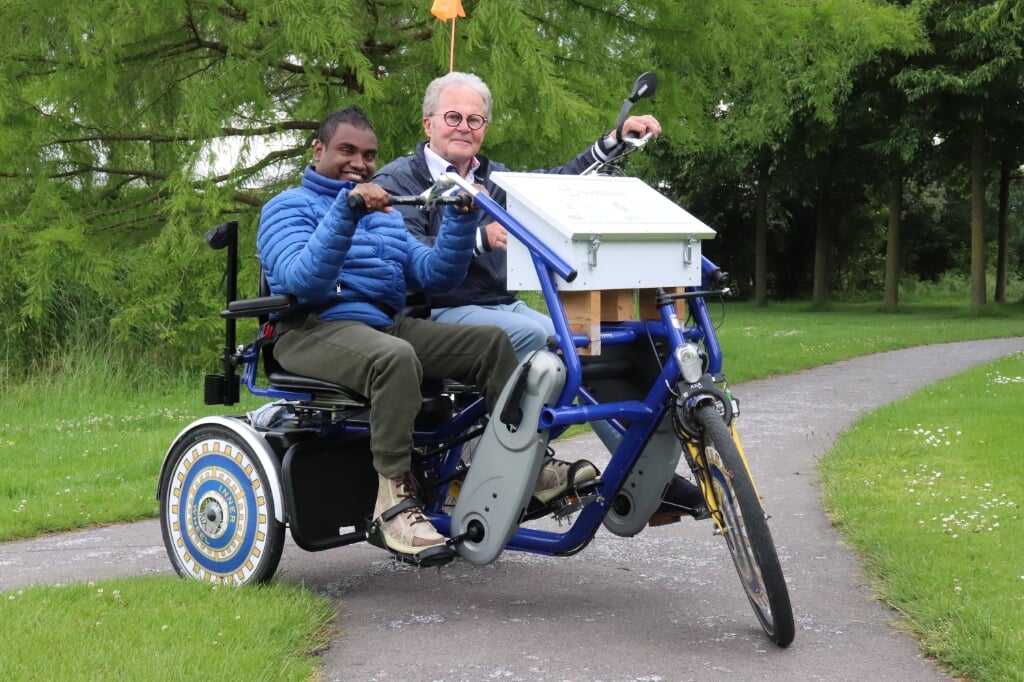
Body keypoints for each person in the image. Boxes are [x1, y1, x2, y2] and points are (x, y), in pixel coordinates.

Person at [256, 107, 593, 563]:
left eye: (369, 155)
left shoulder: (385, 214)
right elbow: (304, 280)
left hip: (381, 323)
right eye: (347, 151)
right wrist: (346, 209)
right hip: (311, 328)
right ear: (319, 151)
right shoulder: (286, 207)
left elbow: (434, 274)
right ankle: (392, 503)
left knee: (492, 343)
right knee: (394, 357)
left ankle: (523, 467)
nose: (359, 162)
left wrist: (459, 222)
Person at [374, 72, 706, 525]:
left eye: (476, 119)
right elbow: (405, 259)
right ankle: (528, 467)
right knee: (543, 338)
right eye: (453, 116)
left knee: (600, 342)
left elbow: (559, 185)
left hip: (499, 306)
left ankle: (646, 477)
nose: (465, 127)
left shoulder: (495, 177)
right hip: (433, 314)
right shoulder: (399, 181)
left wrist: (611, 143)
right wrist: (475, 239)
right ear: (428, 123)